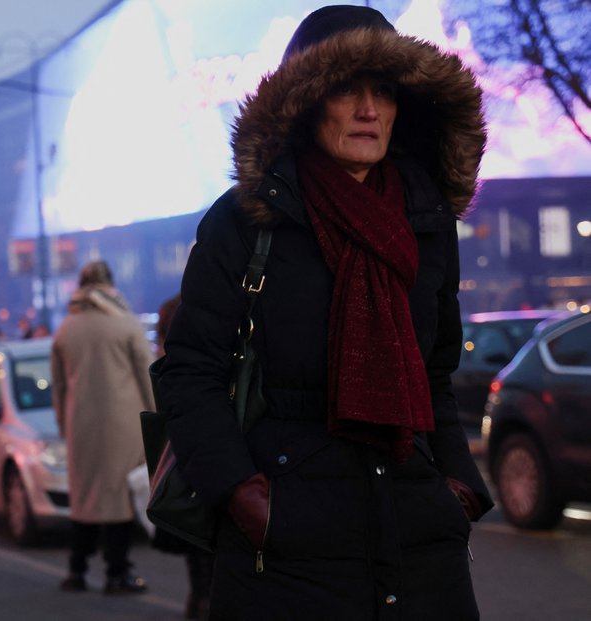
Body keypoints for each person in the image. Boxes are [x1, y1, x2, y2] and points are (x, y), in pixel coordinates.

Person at [157, 6, 494, 620]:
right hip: (286, 539)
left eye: (384, 91)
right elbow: (189, 369)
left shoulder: (427, 223)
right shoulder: (247, 219)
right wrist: (242, 494)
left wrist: (457, 485)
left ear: (404, 106)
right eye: (346, 89)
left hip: (417, 529)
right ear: (306, 103)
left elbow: (435, 371)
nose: (369, 109)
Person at [50, 260, 155, 595]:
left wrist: (63, 423)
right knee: (120, 496)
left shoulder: (67, 328)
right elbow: (147, 376)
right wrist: (157, 419)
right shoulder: (126, 325)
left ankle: (76, 569)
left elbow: (58, 386)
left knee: (84, 496)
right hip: (125, 422)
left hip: (80, 421)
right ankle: (117, 571)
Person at [154, 293, 215, 620]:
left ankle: (199, 598)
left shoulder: (172, 311)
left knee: (195, 529)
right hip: (210, 431)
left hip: (181, 439)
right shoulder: (205, 306)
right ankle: (205, 600)